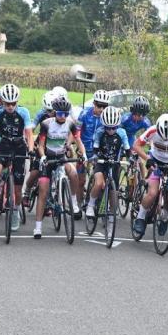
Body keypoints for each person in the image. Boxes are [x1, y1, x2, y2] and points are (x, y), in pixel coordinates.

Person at [33, 96, 86, 239]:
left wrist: (84, 154)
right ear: (54, 112)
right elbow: (41, 146)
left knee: (73, 173)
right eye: (60, 114)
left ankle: (73, 202)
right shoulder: (46, 124)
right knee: (43, 190)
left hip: (61, 157)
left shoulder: (70, 123)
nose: (63, 117)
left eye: (66, 114)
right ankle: (38, 227)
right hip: (48, 158)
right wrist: (43, 156)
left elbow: (78, 140)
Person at [0, 84, 33, 232]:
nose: (10, 107)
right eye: (7, 104)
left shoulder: (24, 112)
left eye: (13, 103)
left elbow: (29, 134)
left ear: (17, 102)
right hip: (4, 145)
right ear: (2, 102)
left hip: (19, 146)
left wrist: (30, 150)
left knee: (18, 190)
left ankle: (15, 212)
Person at [85, 106, 130, 220]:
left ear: (118, 125)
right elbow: (95, 148)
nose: (110, 131)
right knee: (99, 183)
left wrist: (131, 159)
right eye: (107, 128)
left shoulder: (122, 133)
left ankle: (112, 211)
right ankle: (90, 205)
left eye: (113, 128)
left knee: (113, 190)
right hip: (101, 161)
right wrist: (96, 157)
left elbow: (127, 149)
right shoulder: (100, 132)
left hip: (115, 163)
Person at [75, 89, 110, 205]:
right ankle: (79, 205)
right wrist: (77, 148)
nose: (101, 109)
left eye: (105, 106)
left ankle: (94, 201)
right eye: (99, 106)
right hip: (83, 149)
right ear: (94, 103)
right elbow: (77, 132)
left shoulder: (107, 117)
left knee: (100, 179)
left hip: (98, 151)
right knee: (81, 181)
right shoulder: (84, 114)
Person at [22, 91, 57, 207]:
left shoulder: (61, 115)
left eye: (53, 110)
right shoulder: (40, 114)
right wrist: (28, 140)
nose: (51, 113)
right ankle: (27, 192)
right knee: (35, 173)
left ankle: (51, 197)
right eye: (48, 110)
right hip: (40, 145)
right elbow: (30, 129)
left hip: (55, 147)